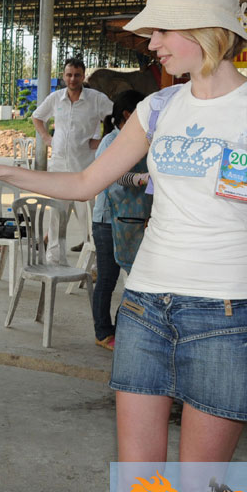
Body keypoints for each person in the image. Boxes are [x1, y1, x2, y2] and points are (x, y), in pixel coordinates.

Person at [0, 0, 247, 473]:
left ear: (202, 27)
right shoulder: (158, 108)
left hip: (228, 317)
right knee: (137, 489)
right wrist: (0, 172)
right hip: (144, 309)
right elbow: (83, 183)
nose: (152, 43)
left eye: (162, 29)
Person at [32, 57, 113, 260]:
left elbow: (115, 117)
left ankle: (93, 263)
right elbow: (37, 116)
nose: (72, 79)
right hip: (59, 168)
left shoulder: (96, 99)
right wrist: (46, 137)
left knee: (88, 217)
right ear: (63, 76)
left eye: (77, 75)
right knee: (57, 215)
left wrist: (102, 140)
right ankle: (54, 258)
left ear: (83, 76)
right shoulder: (55, 98)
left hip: (84, 169)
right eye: (69, 75)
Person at [89, 90, 147, 352]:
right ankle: (103, 331)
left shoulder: (139, 140)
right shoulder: (111, 141)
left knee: (138, 278)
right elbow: (110, 176)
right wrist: (140, 179)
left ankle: (124, 327)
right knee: (107, 279)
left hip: (131, 219)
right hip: (107, 221)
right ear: (128, 114)